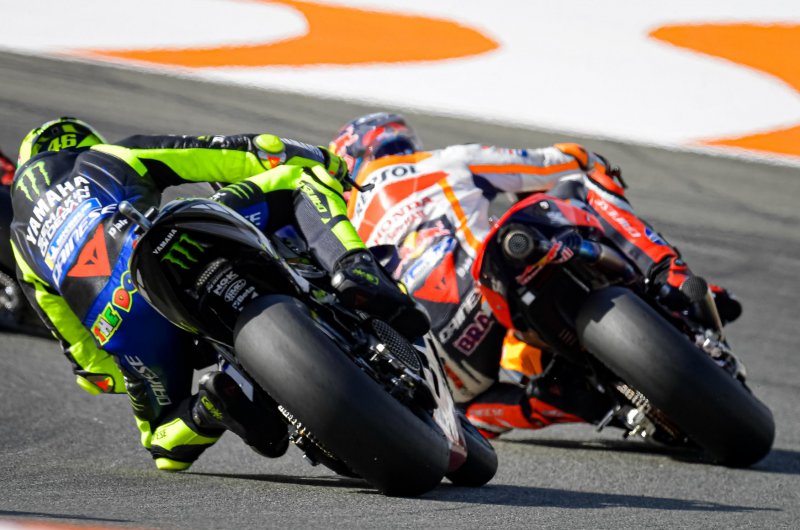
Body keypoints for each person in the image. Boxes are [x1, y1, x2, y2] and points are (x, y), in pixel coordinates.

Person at [10, 117, 426, 470]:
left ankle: (209, 409)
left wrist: (133, 367)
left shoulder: (21, 241)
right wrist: (323, 159)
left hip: (119, 318)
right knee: (299, 180)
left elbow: (88, 366)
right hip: (162, 240)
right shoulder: (103, 156)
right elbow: (234, 152)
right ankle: (354, 268)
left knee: (162, 445)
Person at [330, 112, 742, 439]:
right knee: (581, 183)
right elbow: (559, 162)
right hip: (483, 283)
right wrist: (594, 164)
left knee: (467, 410)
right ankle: (670, 275)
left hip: (439, 352)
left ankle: (583, 403)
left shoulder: (347, 228)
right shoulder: (439, 161)